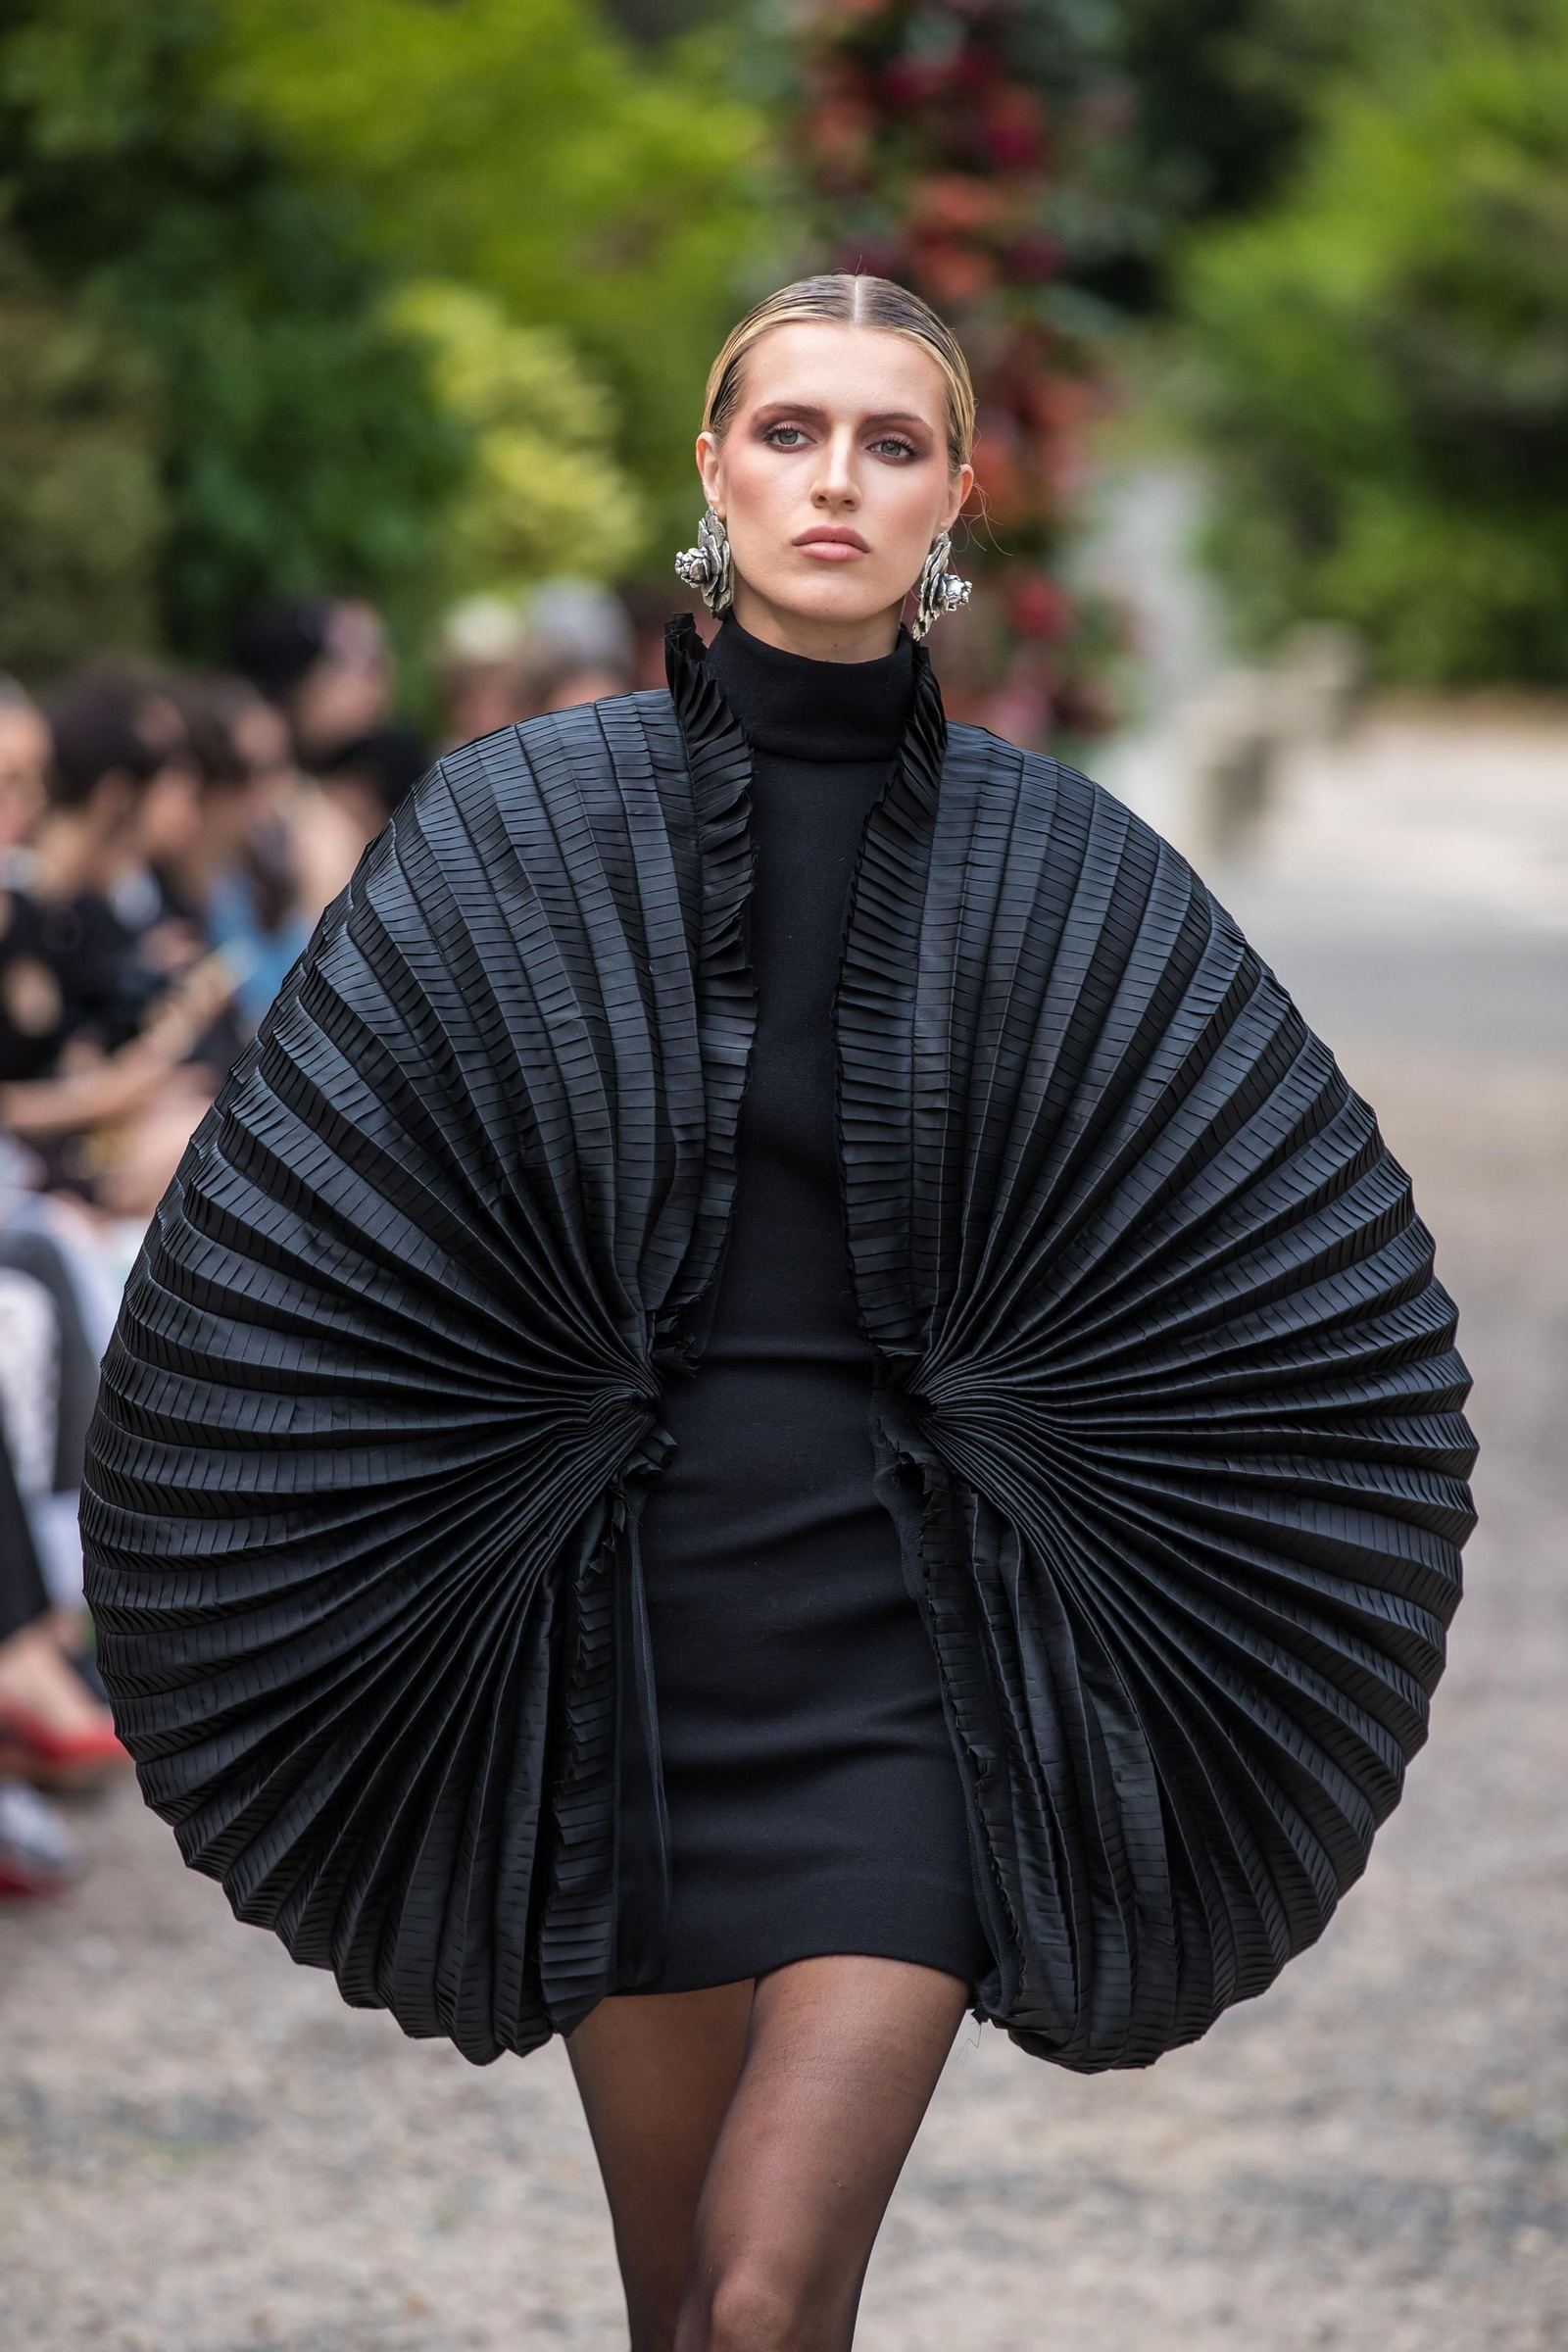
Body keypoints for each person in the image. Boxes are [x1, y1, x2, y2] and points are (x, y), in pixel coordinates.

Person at [84, 277, 1473, 2352]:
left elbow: (1300, 1278)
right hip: (615, 1639)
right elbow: (294, 1232)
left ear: (956, 504)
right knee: (685, 2319)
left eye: (889, 443)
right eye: (792, 431)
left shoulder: (1064, 866)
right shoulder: (512, 827)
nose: (835, 479)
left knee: (758, 2296)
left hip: (906, 1657)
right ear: (711, 473)